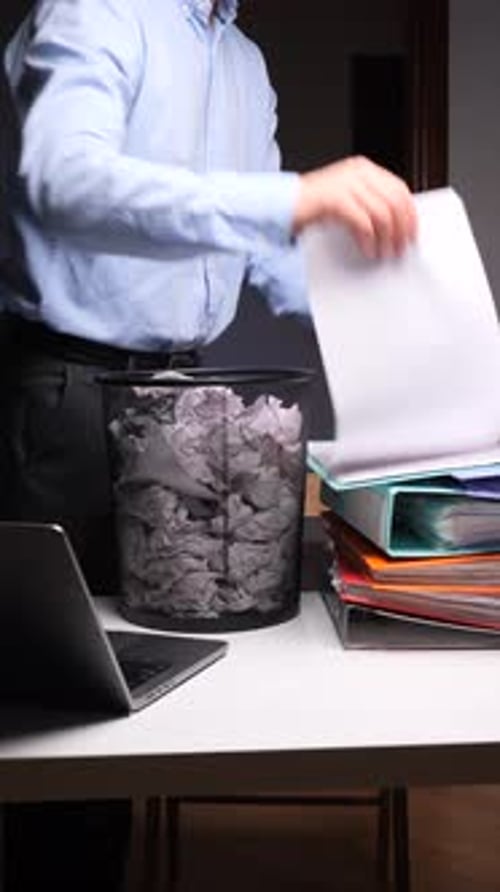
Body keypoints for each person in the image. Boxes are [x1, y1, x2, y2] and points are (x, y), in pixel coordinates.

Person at [0, 0, 417, 890]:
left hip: (179, 395)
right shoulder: (97, 10)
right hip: (66, 390)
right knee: (58, 714)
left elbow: (260, 249)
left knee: (147, 687)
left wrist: (398, 314)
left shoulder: (244, 63)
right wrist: (293, 196)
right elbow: (62, 178)